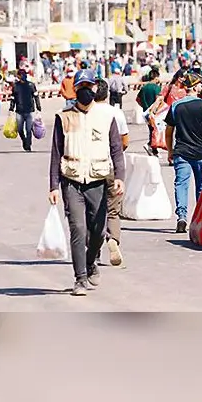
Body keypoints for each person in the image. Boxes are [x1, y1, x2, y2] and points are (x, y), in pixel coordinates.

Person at [48, 69, 126, 296]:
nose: (84, 91)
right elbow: (56, 152)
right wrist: (53, 185)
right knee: (78, 229)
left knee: (98, 232)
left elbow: (116, 149)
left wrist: (120, 177)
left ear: (94, 88)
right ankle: (80, 278)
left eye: (88, 86)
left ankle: (91, 261)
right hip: (71, 181)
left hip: (98, 181)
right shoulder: (63, 117)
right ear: (75, 89)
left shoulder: (107, 117)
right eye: (80, 87)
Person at [165, 75, 202, 234]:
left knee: (181, 184)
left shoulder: (175, 106)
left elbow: (169, 132)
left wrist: (170, 151)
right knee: (201, 186)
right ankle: (200, 218)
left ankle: (181, 217)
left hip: (181, 152)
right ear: (196, 87)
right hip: (201, 152)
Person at [93, 78, 129, 267]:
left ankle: (94, 251)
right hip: (113, 167)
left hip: (92, 167)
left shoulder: (86, 113)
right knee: (113, 211)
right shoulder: (116, 113)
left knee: (93, 210)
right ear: (107, 94)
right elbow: (124, 142)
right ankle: (113, 239)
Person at [9, 68, 41, 152]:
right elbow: (13, 98)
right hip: (19, 111)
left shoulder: (31, 85)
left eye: (24, 74)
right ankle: (24, 140)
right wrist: (11, 108)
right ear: (18, 76)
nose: (23, 76)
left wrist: (38, 108)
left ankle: (28, 144)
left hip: (29, 110)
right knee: (20, 129)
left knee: (28, 129)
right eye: (21, 75)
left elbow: (36, 96)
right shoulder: (15, 86)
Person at [137, 69, 162, 156]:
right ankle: (150, 145)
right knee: (155, 130)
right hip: (154, 113)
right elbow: (158, 100)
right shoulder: (156, 88)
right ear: (156, 77)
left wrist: (144, 106)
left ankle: (154, 150)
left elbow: (138, 99)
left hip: (145, 112)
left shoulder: (144, 87)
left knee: (151, 130)